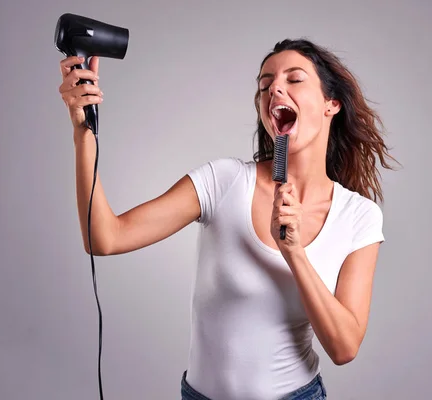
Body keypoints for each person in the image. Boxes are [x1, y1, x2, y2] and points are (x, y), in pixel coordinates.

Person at [58, 38, 398, 400]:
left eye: (294, 79)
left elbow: (344, 348)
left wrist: (294, 252)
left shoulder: (359, 217)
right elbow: (104, 238)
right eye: (265, 85)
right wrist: (84, 133)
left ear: (332, 104)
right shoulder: (224, 181)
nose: (275, 88)